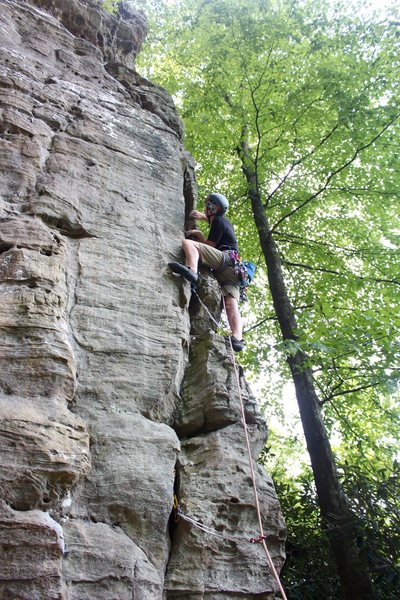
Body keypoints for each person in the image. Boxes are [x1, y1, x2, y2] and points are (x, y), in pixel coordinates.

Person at [169, 192, 244, 352]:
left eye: (208, 205)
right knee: (231, 305)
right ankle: (238, 339)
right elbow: (214, 233)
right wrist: (203, 218)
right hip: (235, 272)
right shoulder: (222, 222)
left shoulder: (218, 221)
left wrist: (199, 235)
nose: (206, 208)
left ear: (212, 207)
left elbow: (211, 247)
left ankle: (192, 271)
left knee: (189, 244)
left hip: (226, 260)